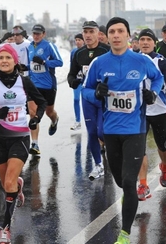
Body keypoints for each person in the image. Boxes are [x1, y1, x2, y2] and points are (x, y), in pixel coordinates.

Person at [84, 17, 163, 244]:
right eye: (112, 32)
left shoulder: (141, 60)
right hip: (110, 130)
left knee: (129, 182)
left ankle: (125, 235)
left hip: (135, 129)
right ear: (105, 36)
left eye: (120, 31)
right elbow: (86, 91)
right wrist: (96, 93)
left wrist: (153, 93)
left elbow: (157, 78)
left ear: (129, 36)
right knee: (120, 181)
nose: (116, 35)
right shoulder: (99, 62)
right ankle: (128, 198)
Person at [0, 44, 47, 244]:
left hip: (20, 137)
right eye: (1, 57)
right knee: (7, 184)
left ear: (15, 61)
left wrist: (35, 119)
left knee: (9, 182)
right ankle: (17, 187)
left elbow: (42, 102)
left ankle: (5, 229)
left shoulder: (24, 82)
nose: (4, 61)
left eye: (8, 57)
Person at [67, 21, 110, 179]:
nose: (87, 35)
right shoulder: (79, 53)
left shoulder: (106, 50)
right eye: (85, 32)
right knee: (92, 132)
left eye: (91, 31)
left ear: (98, 33)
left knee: (101, 132)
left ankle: (114, 151)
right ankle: (98, 165)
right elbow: (71, 74)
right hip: (88, 97)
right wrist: (73, 81)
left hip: (106, 98)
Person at [136, 28, 166, 200]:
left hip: (158, 110)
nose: (145, 42)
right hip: (138, 111)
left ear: (154, 43)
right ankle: (143, 184)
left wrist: (155, 91)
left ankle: (165, 167)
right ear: (137, 42)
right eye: (142, 39)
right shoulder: (132, 60)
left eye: (148, 40)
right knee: (139, 147)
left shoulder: (161, 61)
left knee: (162, 145)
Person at [28, 24, 63, 155]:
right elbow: (30, 64)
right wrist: (24, 68)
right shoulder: (30, 46)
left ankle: (55, 119)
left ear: (44, 34)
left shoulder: (49, 46)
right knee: (33, 113)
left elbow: (60, 62)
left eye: (38, 33)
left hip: (48, 85)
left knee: (49, 112)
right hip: (33, 85)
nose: (36, 36)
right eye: (34, 33)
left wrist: (44, 62)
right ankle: (35, 144)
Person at [69, 33, 85, 131]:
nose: (78, 42)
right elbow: (72, 67)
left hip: (85, 81)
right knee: (76, 99)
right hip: (77, 80)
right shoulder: (73, 52)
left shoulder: (86, 51)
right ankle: (78, 121)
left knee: (86, 101)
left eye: (79, 40)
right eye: (76, 40)